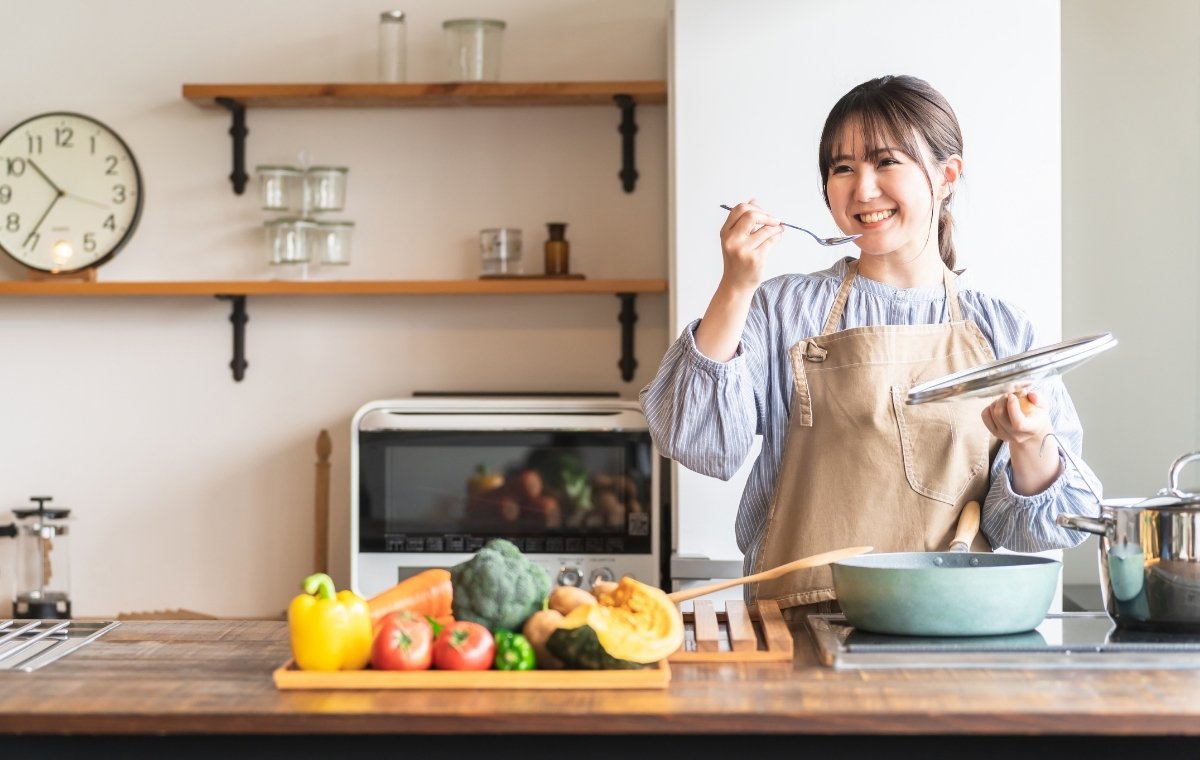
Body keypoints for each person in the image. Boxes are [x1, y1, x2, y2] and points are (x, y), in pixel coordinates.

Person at [639, 74, 1101, 617]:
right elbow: (698, 441)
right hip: (800, 631)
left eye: (886, 162)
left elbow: (1040, 528)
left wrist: (1029, 441)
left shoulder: (1002, 331)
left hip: (950, 627)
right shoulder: (782, 309)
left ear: (947, 175)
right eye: (842, 169)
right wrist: (735, 285)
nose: (862, 190)